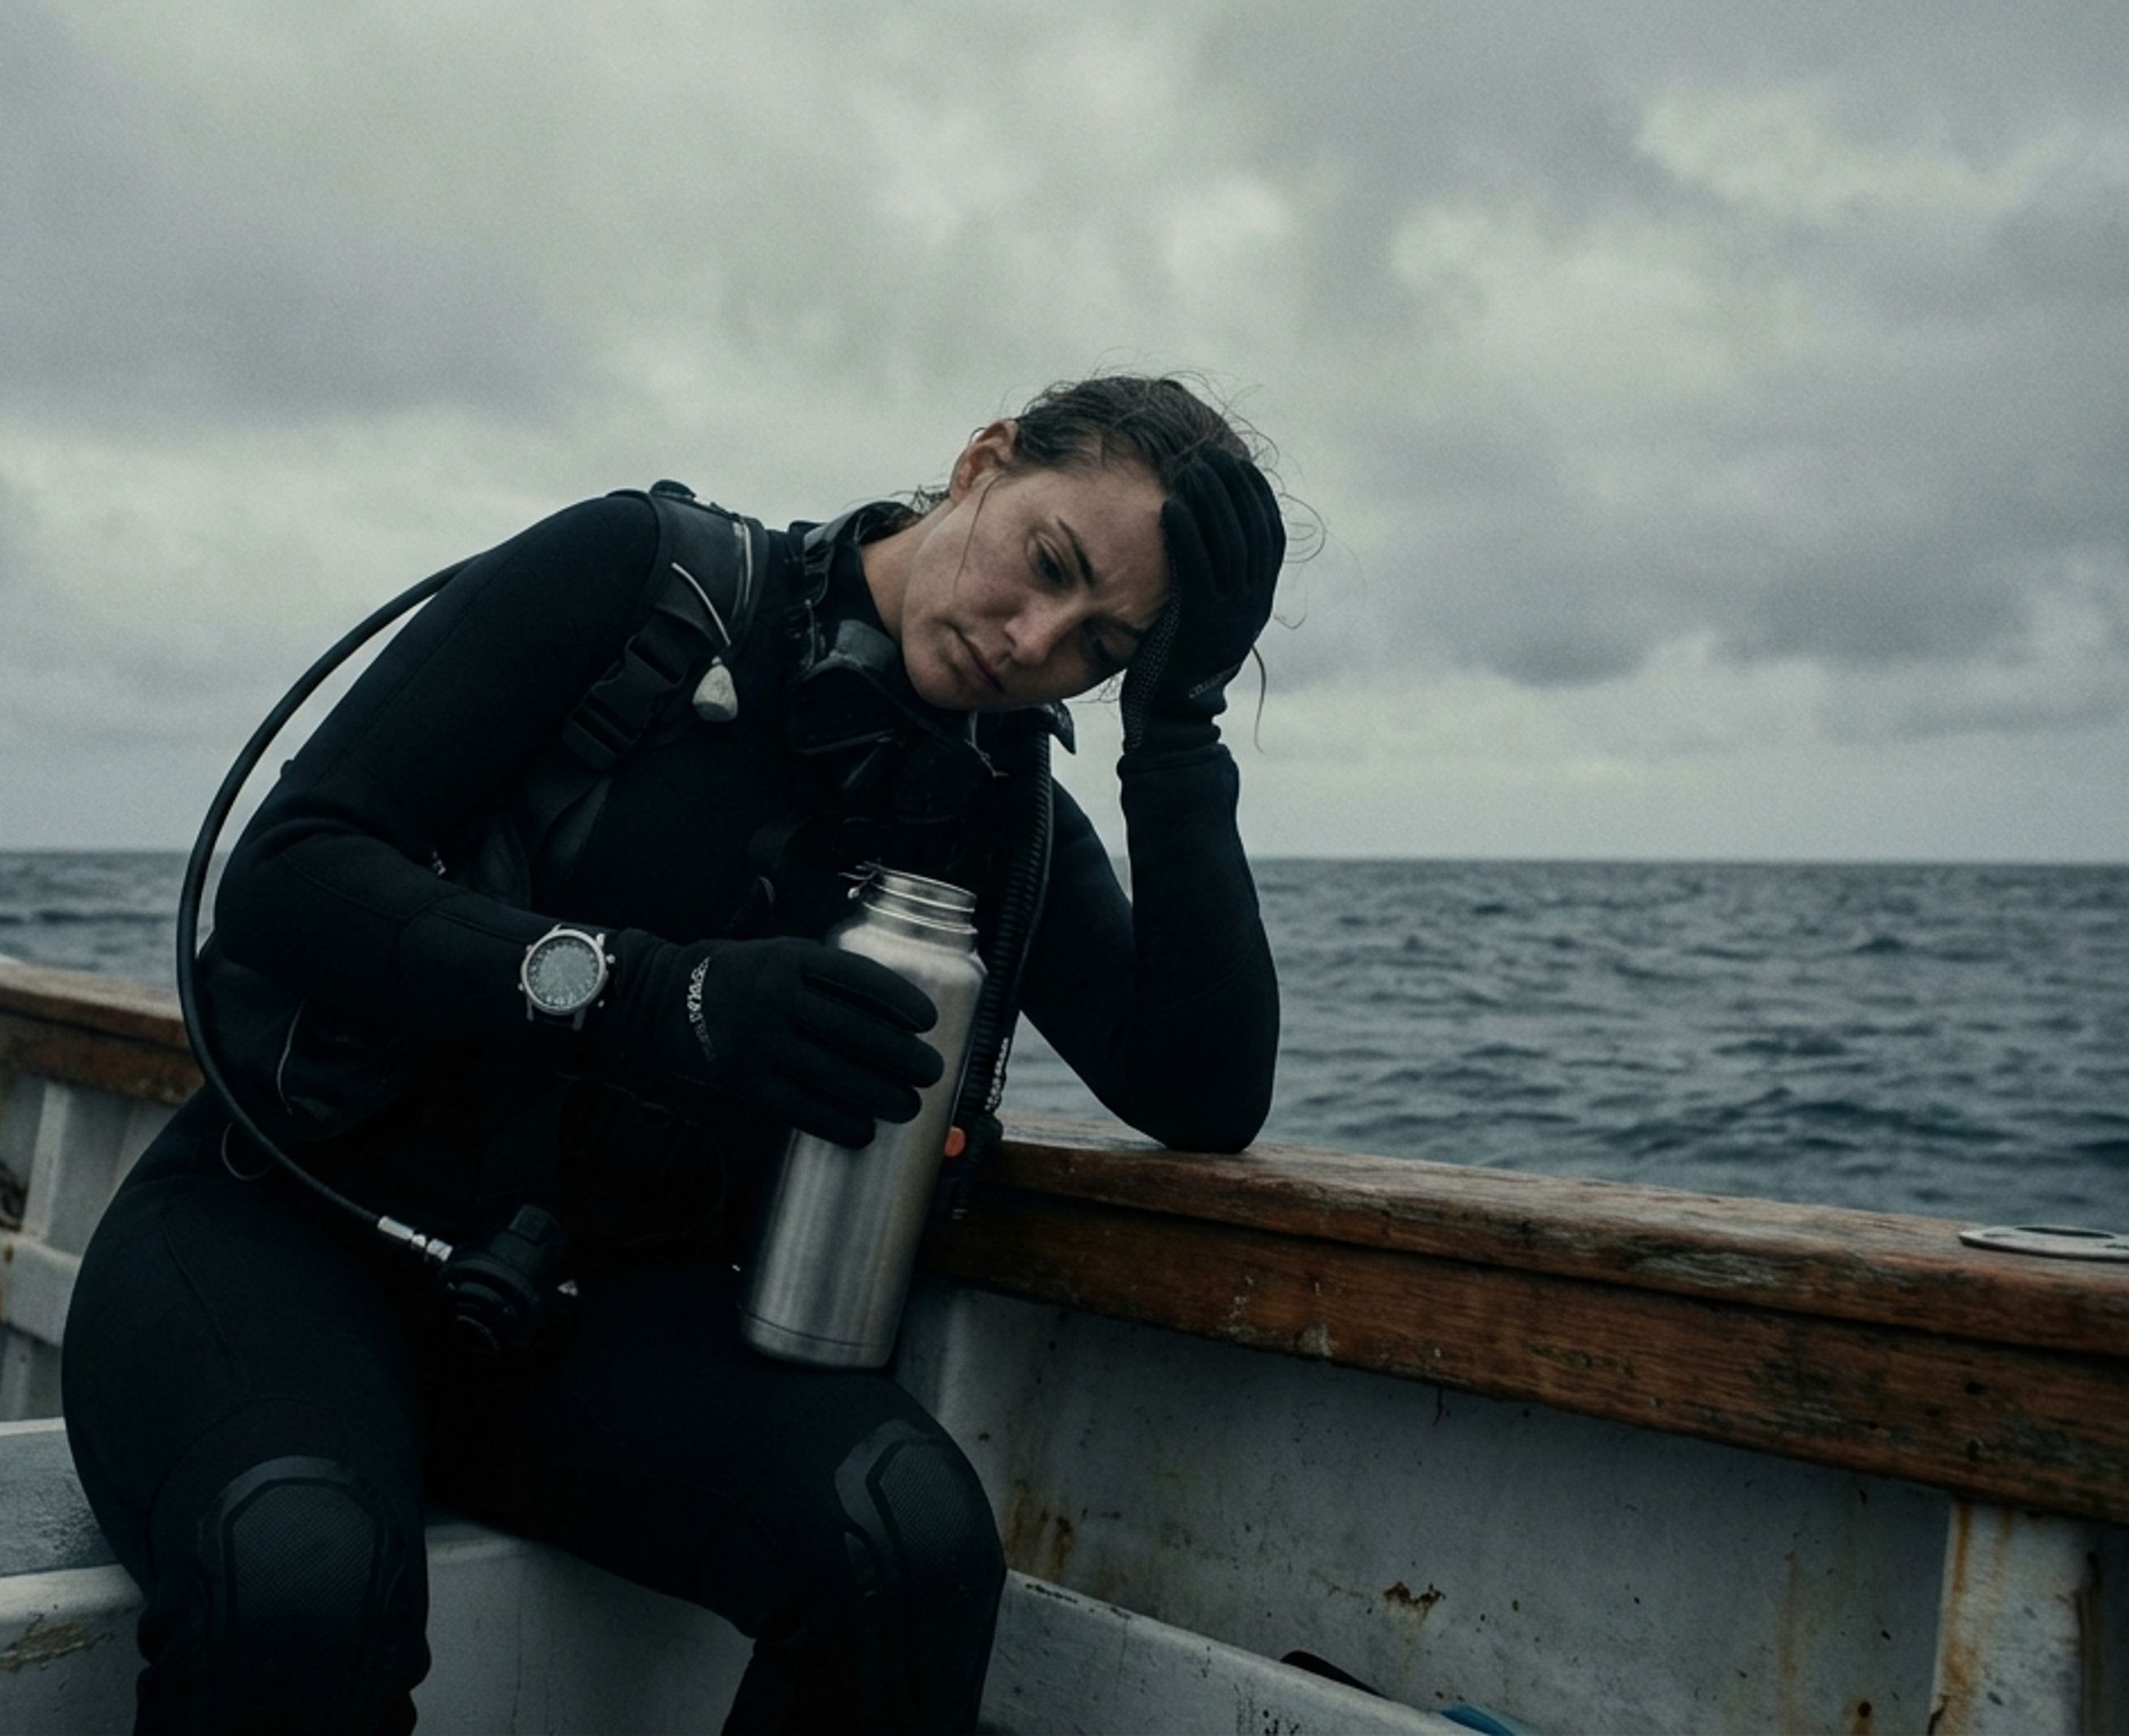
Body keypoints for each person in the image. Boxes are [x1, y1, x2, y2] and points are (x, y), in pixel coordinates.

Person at [62, 374, 1287, 1733]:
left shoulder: (996, 813)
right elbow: (289, 879)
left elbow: (1201, 1089)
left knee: (905, 1544)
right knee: (292, 1570)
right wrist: (658, 996)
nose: (1035, 638)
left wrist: (1178, 733)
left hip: (590, 1322)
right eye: (1047, 563)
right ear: (982, 461)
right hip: (284, 1220)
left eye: (1103, 648)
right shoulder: (643, 580)